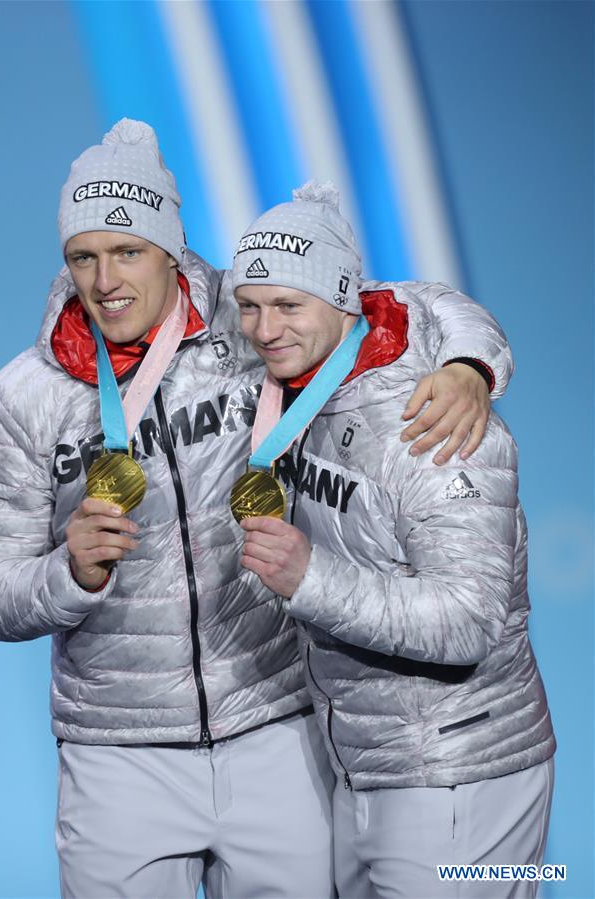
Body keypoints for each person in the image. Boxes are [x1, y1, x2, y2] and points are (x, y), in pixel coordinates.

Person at [0, 121, 515, 899]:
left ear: (172, 249)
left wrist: (469, 364)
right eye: (84, 255)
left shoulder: (250, 324)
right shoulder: (22, 396)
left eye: (128, 251)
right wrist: (65, 572)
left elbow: (400, 305)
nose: (105, 278)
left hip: (279, 731)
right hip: (119, 753)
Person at [233, 182, 555, 899]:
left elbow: (469, 620)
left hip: (460, 772)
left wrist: (310, 578)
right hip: (367, 761)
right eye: (250, 305)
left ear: (344, 303)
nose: (263, 328)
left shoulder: (434, 424)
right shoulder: (312, 378)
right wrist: (473, 350)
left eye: (288, 305)